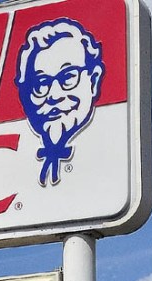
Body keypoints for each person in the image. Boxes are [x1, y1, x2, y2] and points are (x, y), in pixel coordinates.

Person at [15, 17, 105, 185]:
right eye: (41, 84)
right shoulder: (6, 169)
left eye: (68, 77)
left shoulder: (113, 151)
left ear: (93, 80)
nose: (54, 95)